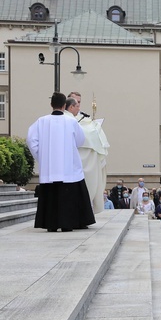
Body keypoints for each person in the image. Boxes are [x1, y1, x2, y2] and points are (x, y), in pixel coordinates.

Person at [27, 92, 96, 232]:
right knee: (68, 196)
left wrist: (42, 157)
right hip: (68, 168)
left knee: (51, 196)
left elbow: (31, 140)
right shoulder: (71, 121)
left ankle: (51, 225)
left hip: (49, 169)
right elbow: (80, 140)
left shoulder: (41, 121)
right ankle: (67, 224)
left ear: (51, 104)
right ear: (65, 105)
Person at [66, 92, 109, 214]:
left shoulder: (86, 119)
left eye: (79, 102)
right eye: (75, 102)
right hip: (72, 155)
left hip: (87, 156)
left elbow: (93, 134)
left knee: (89, 184)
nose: (77, 105)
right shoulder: (64, 118)